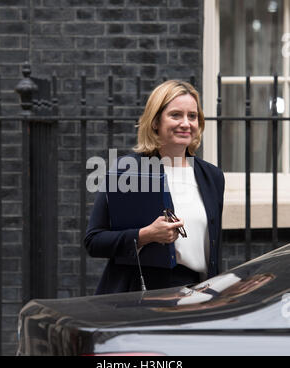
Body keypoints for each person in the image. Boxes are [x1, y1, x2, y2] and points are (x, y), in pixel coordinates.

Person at [84, 80, 225, 295]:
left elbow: (213, 248)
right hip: (142, 295)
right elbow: (94, 241)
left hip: (198, 295)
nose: (186, 123)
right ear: (155, 121)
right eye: (176, 115)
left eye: (192, 116)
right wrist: (145, 235)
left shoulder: (212, 176)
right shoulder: (127, 170)